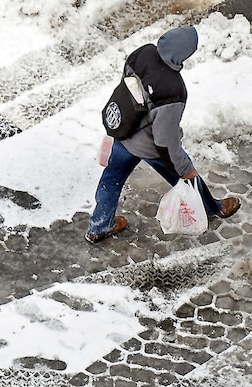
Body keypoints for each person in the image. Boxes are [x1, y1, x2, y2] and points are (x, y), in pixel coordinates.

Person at [86, 26, 240, 243]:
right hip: (150, 147)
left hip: (123, 131)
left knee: (111, 180)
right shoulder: (172, 89)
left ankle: (98, 227)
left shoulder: (143, 52)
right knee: (187, 178)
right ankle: (211, 209)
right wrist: (184, 169)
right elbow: (165, 141)